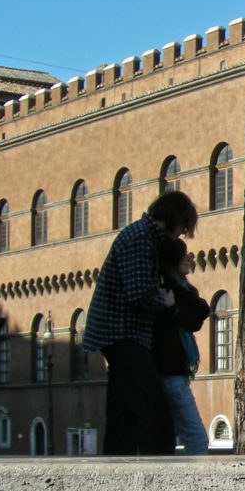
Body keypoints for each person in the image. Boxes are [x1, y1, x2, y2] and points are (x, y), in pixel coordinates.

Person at [83, 191, 198, 455]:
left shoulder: (141, 236)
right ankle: (158, 474)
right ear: (173, 219)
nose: (180, 234)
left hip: (118, 334)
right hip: (123, 334)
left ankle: (115, 472)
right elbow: (138, 295)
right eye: (182, 227)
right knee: (155, 409)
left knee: (122, 413)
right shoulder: (141, 239)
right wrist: (167, 302)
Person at [151, 238, 212, 455]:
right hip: (170, 373)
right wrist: (176, 307)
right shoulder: (166, 286)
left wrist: (175, 308)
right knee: (196, 438)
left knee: (168, 438)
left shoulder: (177, 291)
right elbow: (202, 309)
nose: (189, 257)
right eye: (182, 254)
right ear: (171, 260)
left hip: (176, 372)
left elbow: (196, 320)